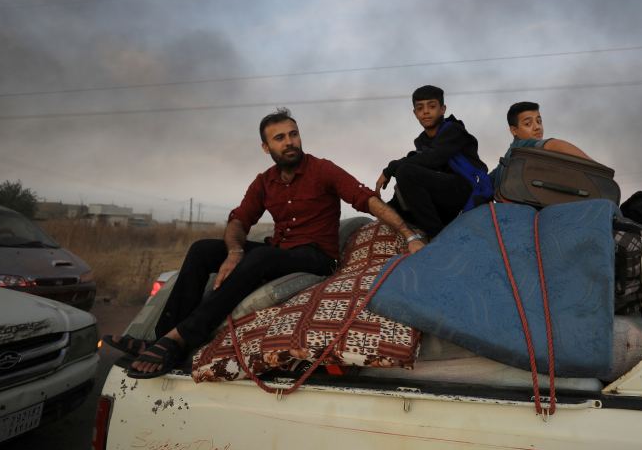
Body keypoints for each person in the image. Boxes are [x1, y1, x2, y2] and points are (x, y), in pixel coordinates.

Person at [105, 108, 425, 379]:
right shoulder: (264, 181)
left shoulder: (321, 169)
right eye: (280, 138)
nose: (289, 142)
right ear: (266, 147)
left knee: (260, 260)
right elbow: (239, 221)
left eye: (293, 135)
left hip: (316, 257)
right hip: (279, 253)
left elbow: (365, 199)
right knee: (203, 249)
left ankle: (182, 338)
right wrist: (234, 250)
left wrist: (407, 235)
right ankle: (161, 338)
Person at [375, 85, 490, 238]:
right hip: (441, 197)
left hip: (465, 189)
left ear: (442, 109)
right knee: (393, 207)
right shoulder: (422, 141)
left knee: (407, 172)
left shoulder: (453, 131)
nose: (426, 111)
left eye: (432, 106)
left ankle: (436, 237)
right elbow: (418, 161)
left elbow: (433, 158)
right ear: (415, 113)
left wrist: (390, 169)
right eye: (420, 108)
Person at [489, 101, 594, 186]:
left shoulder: (505, 162)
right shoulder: (523, 146)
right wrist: (597, 168)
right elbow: (555, 145)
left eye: (539, 121)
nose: (537, 127)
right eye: (528, 123)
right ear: (514, 130)